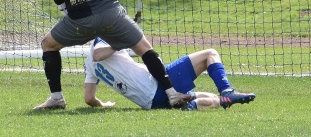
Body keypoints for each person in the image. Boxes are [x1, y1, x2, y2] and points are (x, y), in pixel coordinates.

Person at [34, 0, 190, 110]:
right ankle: (172, 93)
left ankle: (56, 98)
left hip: (80, 22)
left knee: (48, 44)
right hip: (111, 13)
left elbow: (64, 9)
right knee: (144, 49)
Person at [84, 38, 255, 110]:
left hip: (152, 104)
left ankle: (194, 106)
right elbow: (98, 53)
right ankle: (227, 91)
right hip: (158, 86)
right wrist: (121, 41)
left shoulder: (88, 65)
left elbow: (89, 98)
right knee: (210, 54)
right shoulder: (102, 39)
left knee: (210, 96)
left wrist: (103, 105)